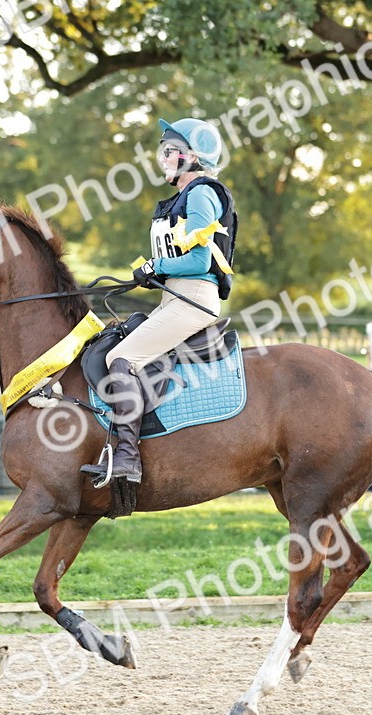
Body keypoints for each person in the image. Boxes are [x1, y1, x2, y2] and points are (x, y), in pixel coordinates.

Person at [82, 116, 238, 486]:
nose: (163, 158)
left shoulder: (201, 192)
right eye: (164, 150)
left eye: (171, 151)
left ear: (192, 157)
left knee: (121, 358)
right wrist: (155, 273)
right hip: (175, 298)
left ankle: (127, 458)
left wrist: (158, 265)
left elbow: (201, 260)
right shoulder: (183, 197)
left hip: (193, 299)